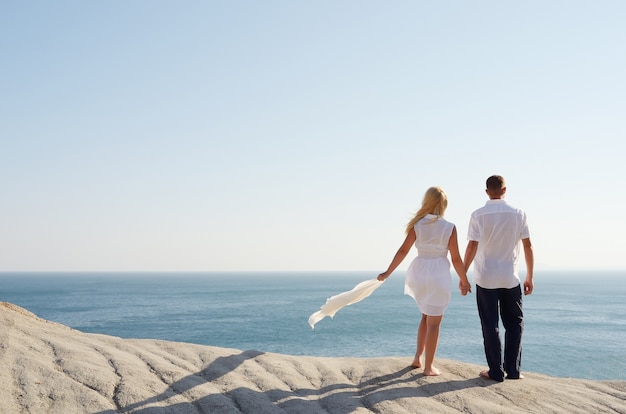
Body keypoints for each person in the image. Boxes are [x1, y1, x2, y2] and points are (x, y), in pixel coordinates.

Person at [377, 186, 472, 376]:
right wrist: (465, 280)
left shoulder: (417, 224)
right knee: (434, 323)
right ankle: (428, 367)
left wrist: (387, 272)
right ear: (443, 204)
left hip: (419, 273)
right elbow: (455, 259)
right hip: (438, 275)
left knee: (425, 316)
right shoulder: (449, 227)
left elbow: (403, 250)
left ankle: (417, 358)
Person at [464, 175, 534, 382]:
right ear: (505, 190)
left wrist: (463, 275)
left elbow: (471, 246)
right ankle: (513, 371)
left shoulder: (478, 214)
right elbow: (528, 245)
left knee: (489, 323)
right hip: (510, 277)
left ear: (487, 192)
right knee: (515, 323)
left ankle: (495, 372)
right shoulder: (519, 214)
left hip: (485, 277)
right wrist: (529, 276)